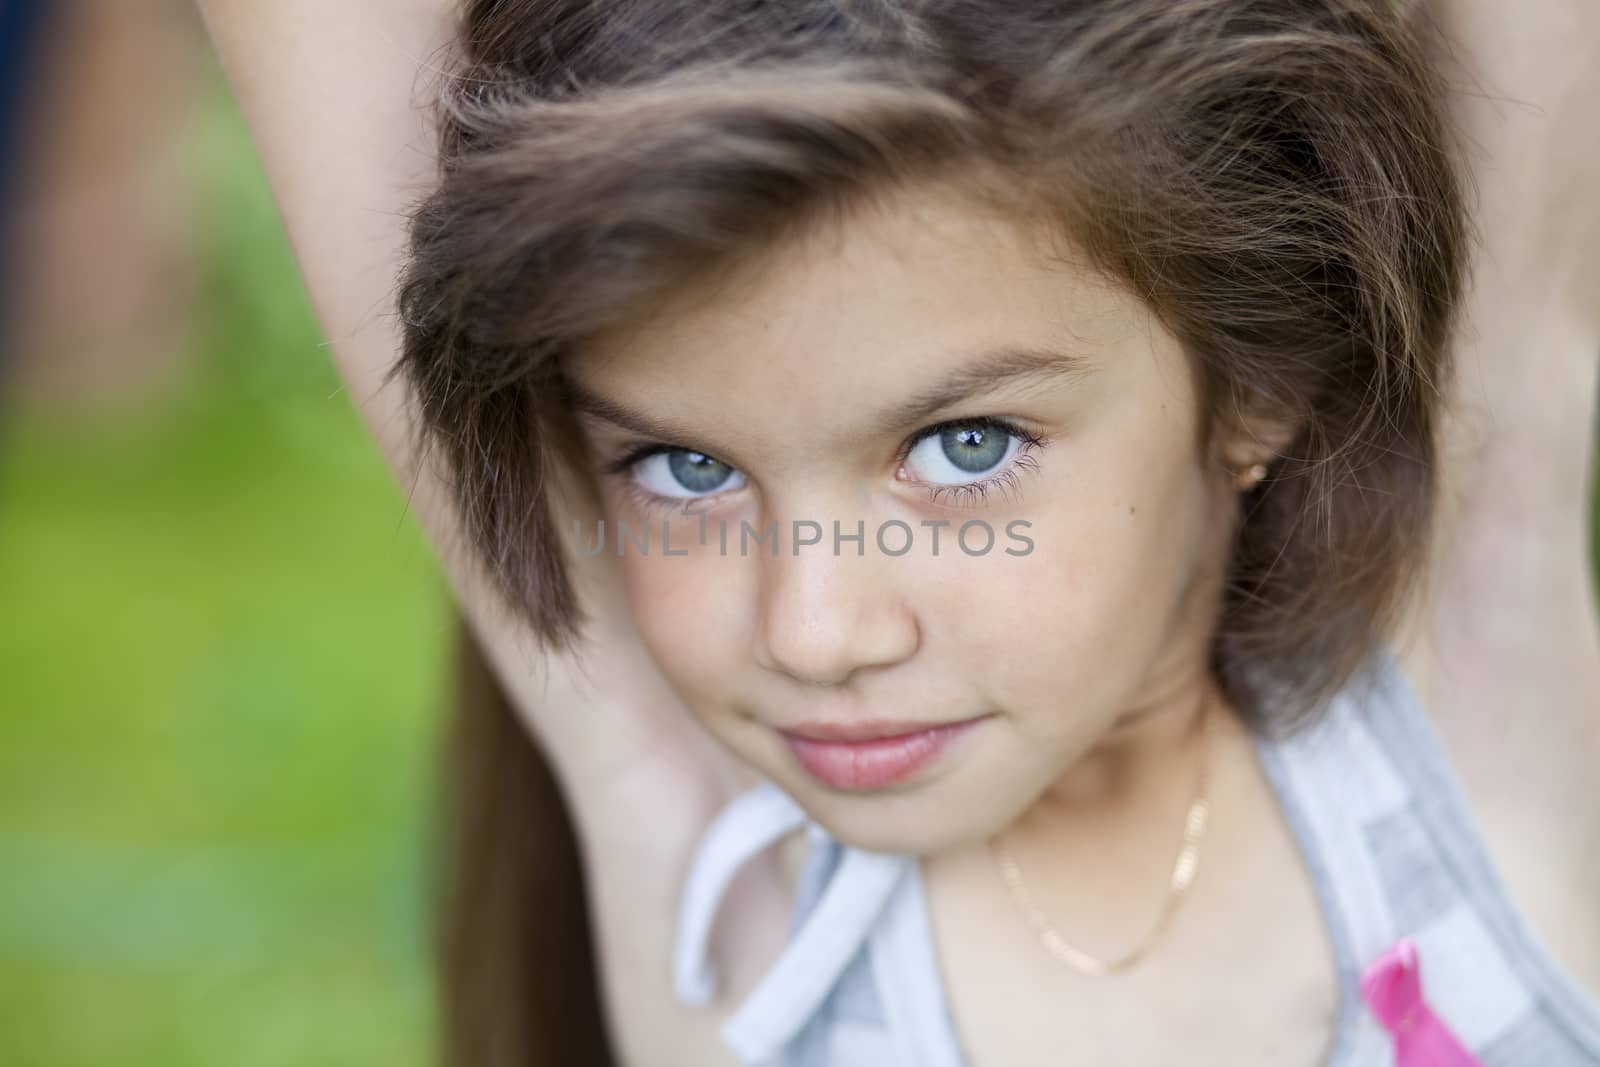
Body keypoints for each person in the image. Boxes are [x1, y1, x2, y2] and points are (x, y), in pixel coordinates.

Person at [196, 1, 1600, 1065]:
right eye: (685, 468)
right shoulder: (716, 855)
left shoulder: (1451, 685)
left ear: (1258, 389)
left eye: (963, 448)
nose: (813, 632)